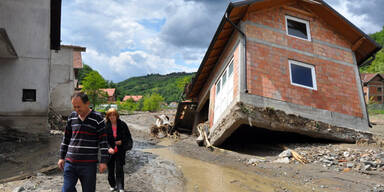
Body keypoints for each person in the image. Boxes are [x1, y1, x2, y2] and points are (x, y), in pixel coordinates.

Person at [58, 92, 109, 192]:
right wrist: (61, 157)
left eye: (79, 107)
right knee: (67, 189)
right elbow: (66, 139)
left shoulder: (98, 118)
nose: (76, 110)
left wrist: (103, 161)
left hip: (88, 164)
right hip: (70, 162)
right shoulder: (72, 117)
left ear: (87, 103)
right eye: (74, 107)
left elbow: (103, 142)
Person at [105, 108, 133, 192]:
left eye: (114, 115)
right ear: (108, 116)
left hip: (120, 151)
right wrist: (108, 148)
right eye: (110, 115)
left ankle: (120, 187)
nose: (112, 117)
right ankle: (112, 185)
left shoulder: (122, 124)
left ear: (117, 115)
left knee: (119, 169)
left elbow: (128, 137)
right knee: (110, 169)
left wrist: (122, 142)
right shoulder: (105, 125)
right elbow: (103, 139)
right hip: (110, 152)